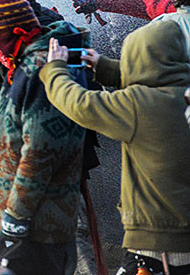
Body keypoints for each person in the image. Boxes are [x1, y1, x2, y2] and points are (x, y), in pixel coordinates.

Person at [0, 0, 86, 275]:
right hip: (30, 218)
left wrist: (16, 213)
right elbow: (5, 77)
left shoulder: (41, 69)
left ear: (18, 32)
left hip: (38, 225)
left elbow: (40, 150)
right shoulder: (30, 59)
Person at [43, 18, 190, 275]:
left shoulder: (138, 106)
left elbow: (79, 104)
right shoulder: (181, 93)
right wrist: (103, 66)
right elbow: (154, 75)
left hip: (157, 247)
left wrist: (53, 70)